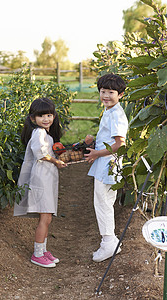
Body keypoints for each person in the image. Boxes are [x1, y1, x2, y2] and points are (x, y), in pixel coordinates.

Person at [14, 98, 67, 268]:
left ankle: (43, 250)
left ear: (54, 116)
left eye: (49, 115)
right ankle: (37, 254)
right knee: (44, 217)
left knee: (48, 217)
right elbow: (41, 154)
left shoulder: (46, 133)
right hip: (41, 180)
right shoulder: (39, 133)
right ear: (32, 118)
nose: (46, 119)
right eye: (41, 116)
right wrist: (56, 162)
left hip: (46, 179)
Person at [84, 73, 128, 262]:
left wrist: (96, 154)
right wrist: (94, 143)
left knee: (102, 202)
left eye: (111, 92)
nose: (106, 96)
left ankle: (109, 243)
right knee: (104, 201)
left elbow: (120, 144)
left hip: (109, 164)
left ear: (121, 95)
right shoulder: (110, 111)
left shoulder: (117, 114)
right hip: (106, 163)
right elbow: (110, 139)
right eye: (103, 91)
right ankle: (109, 241)